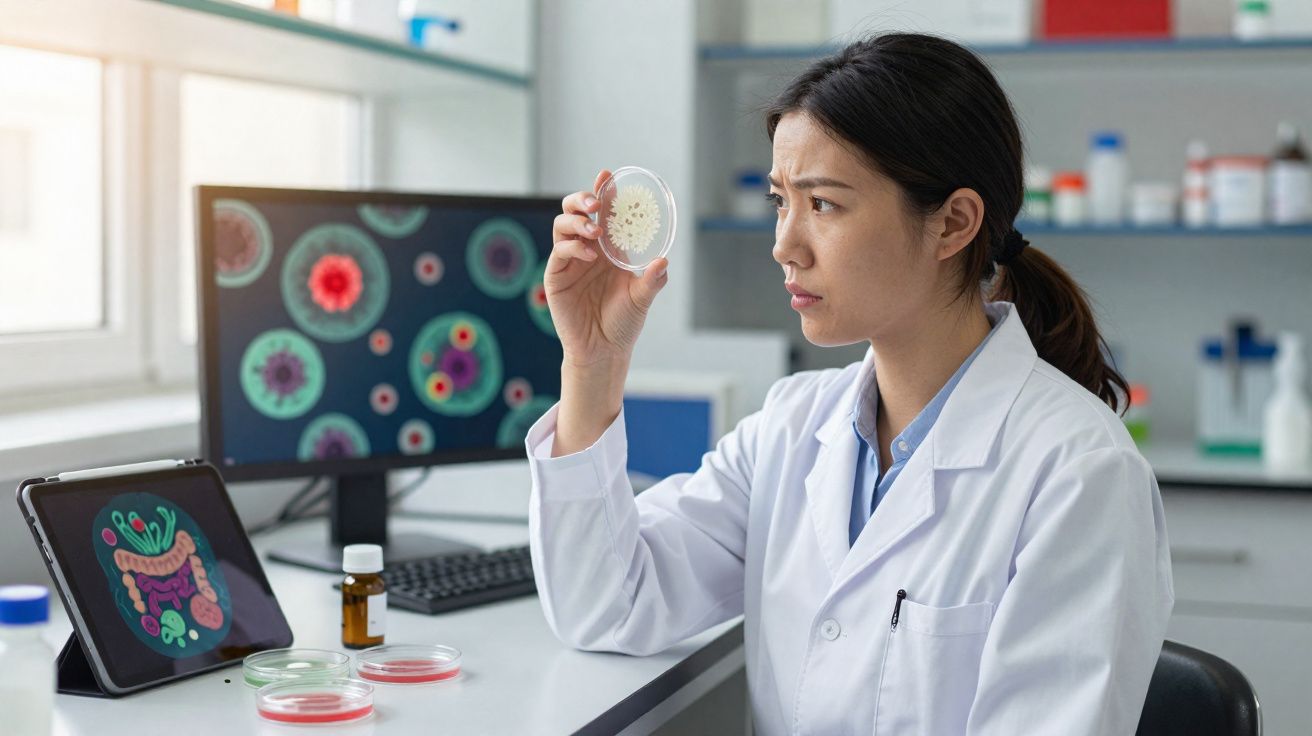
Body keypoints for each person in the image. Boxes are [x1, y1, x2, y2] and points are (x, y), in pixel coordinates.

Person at [525, 32, 1174, 735]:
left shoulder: (1080, 474)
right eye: (781, 201)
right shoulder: (791, 427)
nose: (783, 244)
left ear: (953, 223)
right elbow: (607, 607)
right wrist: (591, 364)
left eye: (824, 205)